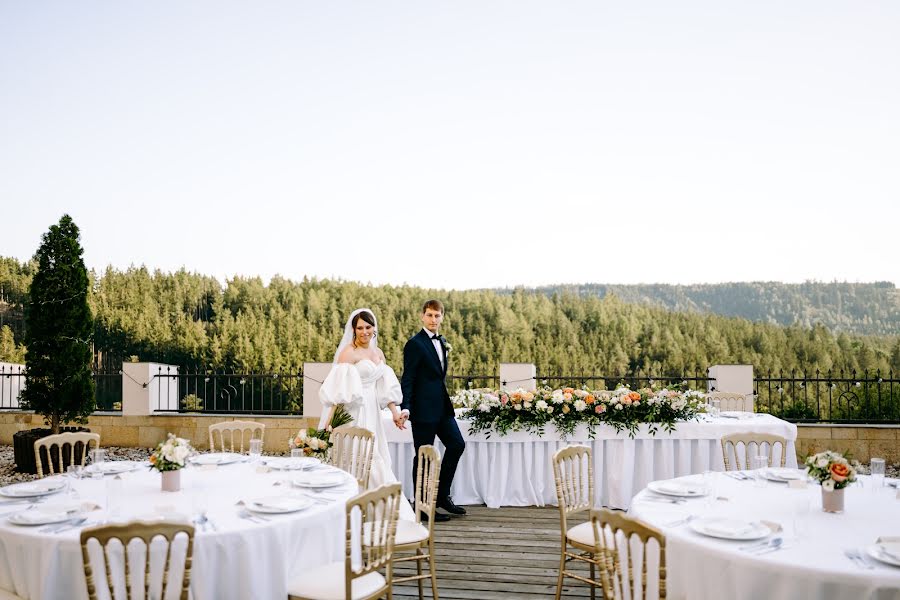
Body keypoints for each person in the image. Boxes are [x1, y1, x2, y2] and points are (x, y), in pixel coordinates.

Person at [318, 308, 414, 521]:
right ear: (353, 330)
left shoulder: (378, 354)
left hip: (373, 413)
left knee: (376, 456)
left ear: (374, 329)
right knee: (356, 457)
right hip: (354, 412)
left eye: (368, 327)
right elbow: (338, 391)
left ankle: (379, 512)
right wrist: (329, 422)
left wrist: (395, 413)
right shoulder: (348, 353)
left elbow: (384, 388)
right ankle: (351, 513)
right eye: (359, 328)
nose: (364, 332)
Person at [399, 299, 467, 519]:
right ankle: (422, 506)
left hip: (442, 408)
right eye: (429, 315)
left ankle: (442, 496)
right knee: (424, 457)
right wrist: (406, 407)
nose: (433, 319)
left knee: (457, 444)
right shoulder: (414, 344)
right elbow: (408, 378)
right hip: (422, 410)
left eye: (437, 316)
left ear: (442, 317)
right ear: (422, 316)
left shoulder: (443, 340)